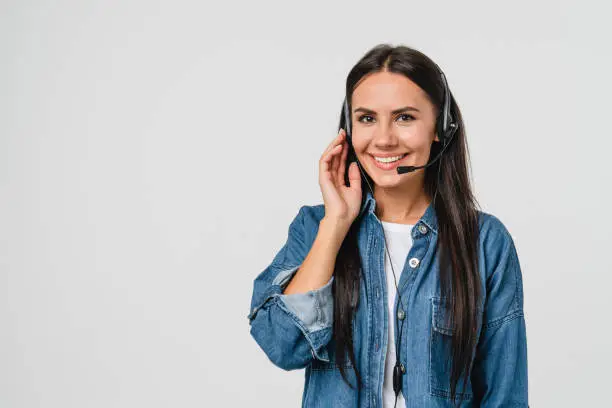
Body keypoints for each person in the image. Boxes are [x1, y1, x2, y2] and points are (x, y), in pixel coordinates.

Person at [247, 43, 528, 408]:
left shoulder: (485, 243)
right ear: (348, 130)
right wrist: (337, 223)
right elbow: (282, 344)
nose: (383, 139)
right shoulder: (315, 226)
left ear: (440, 128)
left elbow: (504, 395)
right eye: (366, 119)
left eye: (404, 118)